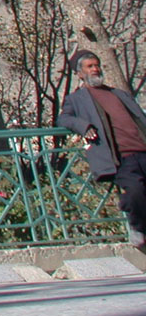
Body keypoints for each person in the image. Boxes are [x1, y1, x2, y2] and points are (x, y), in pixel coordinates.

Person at [58, 50, 146, 249]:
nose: (95, 69)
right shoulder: (77, 99)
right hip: (121, 157)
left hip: (142, 149)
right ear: (80, 73)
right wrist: (84, 127)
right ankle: (138, 227)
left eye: (97, 65)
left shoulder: (118, 94)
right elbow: (63, 119)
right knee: (135, 192)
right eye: (90, 66)